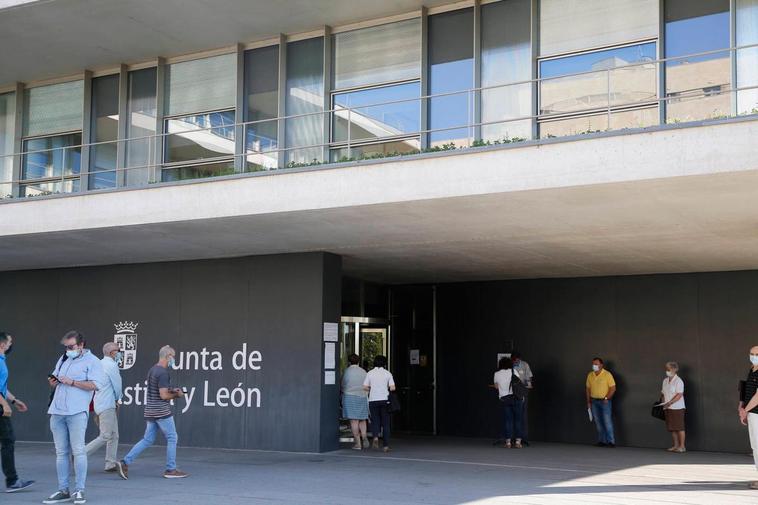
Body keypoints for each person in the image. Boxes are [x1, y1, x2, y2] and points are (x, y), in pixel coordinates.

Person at [44, 330, 105, 505]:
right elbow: (56, 377)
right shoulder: (63, 358)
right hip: (57, 411)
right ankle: (63, 490)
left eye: (71, 347)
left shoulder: (93, 361)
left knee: (78, 451)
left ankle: (79, 490)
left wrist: (72, 382)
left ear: (81, 345)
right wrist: (53, 382)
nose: (68, 350)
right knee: (61, 453)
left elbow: (96, 385)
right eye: (66, 347)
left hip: (77, 411)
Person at [117, 345, 188, 480]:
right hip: (161, 411)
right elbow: (163, 395)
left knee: (147, 439)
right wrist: (177, 395)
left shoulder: (153, 370)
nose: (174, 359)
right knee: (172, 437)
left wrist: (172, 390)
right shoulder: (163, 372)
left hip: (150, 410)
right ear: (168, 356)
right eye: (173, 356)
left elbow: (159, 390)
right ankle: (171, 469)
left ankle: (124, 462)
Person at [0, 332, 34, 493]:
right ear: (3, 344)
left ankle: (12, 480)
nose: (11, 344)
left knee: (7, 441)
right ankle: (12, 481)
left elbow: (2, 387)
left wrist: (14, 400)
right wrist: (4, 405)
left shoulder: (2, 360)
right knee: (8, 440)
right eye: (10, 342)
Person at [85, 342, 123, 472]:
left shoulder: (99, 364)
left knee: (114, 435)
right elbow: (117, 385)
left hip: (100, 403)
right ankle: (80, 454)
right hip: (107, 404)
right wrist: (118, 399)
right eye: (118, 350)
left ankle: (110, 463)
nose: (120, 353)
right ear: (112, 352)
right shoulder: (111, 365)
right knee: (106, 435)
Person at [363, 355, 395, 453]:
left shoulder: (370, 373)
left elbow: (365, 387)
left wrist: (372, 389)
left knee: (375, 420)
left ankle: (375, 437)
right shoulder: (387, 373)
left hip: (373, 400)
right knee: (385, 423)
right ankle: (385, 446)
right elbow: (393, 388)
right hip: (385, 400)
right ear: (384, 363)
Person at [493, 356, 523, 448]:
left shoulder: (497, 374)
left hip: (505, 399)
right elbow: (519, 384)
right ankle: (518, 442)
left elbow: (496, 387)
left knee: (508, 421)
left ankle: (508, 442)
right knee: (518, 420)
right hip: (516, 398)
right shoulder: (514, 372)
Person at [585, 357, 616, 448]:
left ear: (601, 365)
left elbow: (613, 388)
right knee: (598, 422)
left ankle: (611, 441)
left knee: (607, 422)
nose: (594, 366)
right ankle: (602, 441)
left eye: (596, 364)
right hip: (594, 401)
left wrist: (607, 398)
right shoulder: (590, 375)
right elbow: (588, 389)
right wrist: (588, 401)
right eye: (593, 364)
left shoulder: (607, 374)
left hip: (605, 401)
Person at [739, 345, 758, 489]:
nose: (753, 356)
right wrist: (741, 405)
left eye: (756, 354)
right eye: (751, 353)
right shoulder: (752, 369)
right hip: (751, 412)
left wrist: (745, 410)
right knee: (755, 446)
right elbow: (746, 389)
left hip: (756, 412)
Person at [341, 354, 369, 450]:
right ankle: (364, 436)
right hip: (362, 396)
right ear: (358, 362)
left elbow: (343, 384)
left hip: (350, 396)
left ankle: (358, 443)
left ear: (349, 362)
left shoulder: (347, 371)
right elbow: (367, 384)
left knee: (354, 420)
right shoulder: (363, 371)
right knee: (362, 419)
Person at [660, 361, 685, 453]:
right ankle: (675, 446)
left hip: (677, 407)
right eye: (666, 369)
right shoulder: (665, 381)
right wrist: (663, 402)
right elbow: (663, 393)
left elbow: (679, 395)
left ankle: (682, 446)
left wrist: (670, 402)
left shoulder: (679, 381)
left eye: (668, 369)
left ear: (674, 369)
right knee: (672, 428)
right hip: (667, 407)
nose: (666, 370)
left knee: (679, 427)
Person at [511, 351, 533, 444]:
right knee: (511, 415)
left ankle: (523, 438)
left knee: (523, 415)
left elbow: (529, 378)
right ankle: (511, 437)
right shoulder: (509, 365)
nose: (515, 362)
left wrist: (526, 383)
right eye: (513, 360)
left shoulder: (525, 365)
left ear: (519, 359)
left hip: (522, 392)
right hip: (511, 392)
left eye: (516, 360)